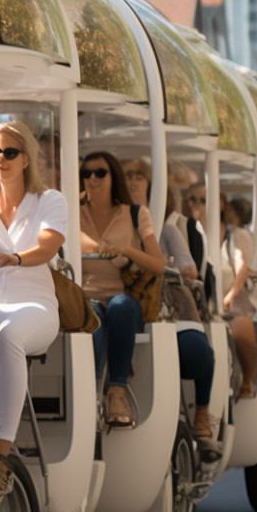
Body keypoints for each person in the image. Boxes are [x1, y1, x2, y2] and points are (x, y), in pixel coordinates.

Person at [0, 120, 66, 499]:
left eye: (10, 152)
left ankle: (1, 454)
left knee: (9, 334)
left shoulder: (49, 201)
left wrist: (13, 258)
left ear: (26, 158)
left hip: (36, 307)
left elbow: (47, 249)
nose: (1, 159)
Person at [125, 159, 217, 454]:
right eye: (127, 176)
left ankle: (202, 411)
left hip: (167, 311)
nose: (132, 182)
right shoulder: (112, 227)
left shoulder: (166, 230)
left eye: (139, 176)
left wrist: (162, 265)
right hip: (127, 309)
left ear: (152, 186)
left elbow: (190, 270)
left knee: (198, 351)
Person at [78, 150, 164, 429]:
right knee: (92, 313)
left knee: (119, 306)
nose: (93, 178)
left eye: (100, 172)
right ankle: (88, 395)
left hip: (124, 299)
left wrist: (126, 250)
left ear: (113, 176)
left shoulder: (136, 214)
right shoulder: (71, 213)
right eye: (86, 173)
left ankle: (117, 390)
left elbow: (157, 264)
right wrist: (98, 248)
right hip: (86, 297)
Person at [221, 198, 257, 396]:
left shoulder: (239, 234)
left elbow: (242, 268)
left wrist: (230, 295)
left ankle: (248, 381)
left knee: (242, 333)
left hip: (236, 300)